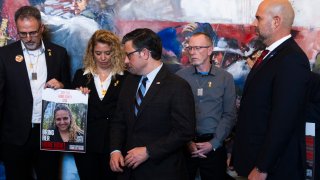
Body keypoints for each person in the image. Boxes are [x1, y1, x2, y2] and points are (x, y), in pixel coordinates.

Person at [232, 0, 311, 180]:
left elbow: (284, 120)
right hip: (256, 161)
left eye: (258, 19)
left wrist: (262, 167)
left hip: (274, 169)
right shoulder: (273, 54)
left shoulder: (292, 59)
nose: (254, 24)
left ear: (276, 21)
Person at [109, 28, 195, 180]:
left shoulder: (177, 86)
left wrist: (149, 151)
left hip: (162, 171)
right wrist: (115, 150)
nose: (125, 61)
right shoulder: (129, 81)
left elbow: (184, 131)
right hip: (128, 171)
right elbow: (119, 120)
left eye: (128, 55)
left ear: (145, 53)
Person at [0, 6, 70, 179]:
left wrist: (61, 85)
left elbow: (68, 89)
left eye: (33, 32)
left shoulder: (59, 54)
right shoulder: (4, 55)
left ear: (42, 29)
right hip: (14, 137)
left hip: (49, 133)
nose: (28, 38)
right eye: (23, 34)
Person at [176, 32, 237, 180]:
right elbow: (175, 114)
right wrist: (187, 142)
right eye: (190, 48)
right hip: (185, 146)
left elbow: (229, 114)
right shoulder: (179, 77)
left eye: (198, 48)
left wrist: (214, 143)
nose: (192, 52)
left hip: (214, 146)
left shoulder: (225, 78)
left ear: (210, 50)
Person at [72, 29, 126, 180]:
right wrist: (77, 96)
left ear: (114, 52)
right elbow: (71, 111)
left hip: (115, 145)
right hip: (86, 145)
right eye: (98, 53)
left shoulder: (126, 77)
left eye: (107, 53)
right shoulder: (80, 75)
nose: (103, 57)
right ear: (91, 52)